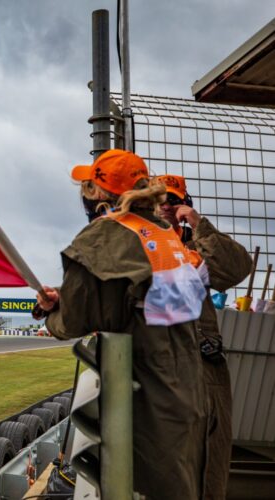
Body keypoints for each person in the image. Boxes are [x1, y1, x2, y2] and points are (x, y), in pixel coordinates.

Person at [34, 150, 208, 500]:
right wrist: (67, 297)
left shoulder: (106, 236)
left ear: (98, 193)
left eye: (88, 187)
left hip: (142, 392)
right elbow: (129, 298)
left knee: (134, 485)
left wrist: (53, 313)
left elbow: (75, 321)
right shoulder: (164, 233)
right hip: (188, 387)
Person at [158, 174, 252, 500]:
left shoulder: (198, 247)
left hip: (204, 375)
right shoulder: (133, 242)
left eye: (174, 200)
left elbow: (238, 267)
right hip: (157, 374)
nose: (166, 206)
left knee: (207, 473)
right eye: (159, 200)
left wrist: (200, 226)